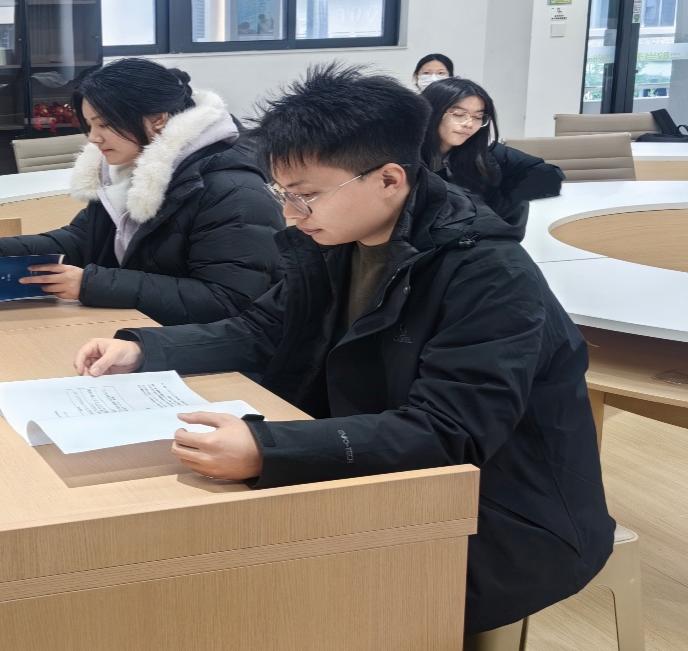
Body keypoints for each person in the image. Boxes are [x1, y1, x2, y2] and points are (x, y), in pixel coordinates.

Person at [71, 63, 614, 638]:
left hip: (500, 514)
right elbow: (264, 330)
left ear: (389, 179)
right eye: (282, 194)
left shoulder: (487, 273)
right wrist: (145, 348)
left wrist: (268, 449)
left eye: (305, 195)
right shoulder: (335, 238)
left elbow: (449, 431)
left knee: (248, 596)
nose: (289, 213)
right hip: (383, 473)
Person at [0, 58, 284, 326]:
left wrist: (91, 285)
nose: (93, 138)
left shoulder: (233, 192)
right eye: (90, 125)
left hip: (208, 361)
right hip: (145, 333)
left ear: (157, 119)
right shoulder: (130, 171)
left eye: (104, 124)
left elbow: (228, 301)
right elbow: (82, 239)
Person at [421, 78, 564, 226]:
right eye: (458, 114)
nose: (469, 124)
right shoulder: (408, 158)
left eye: (478, 117)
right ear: (431, 112)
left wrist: (502, 199)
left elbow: (549, 174)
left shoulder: (483, 153)